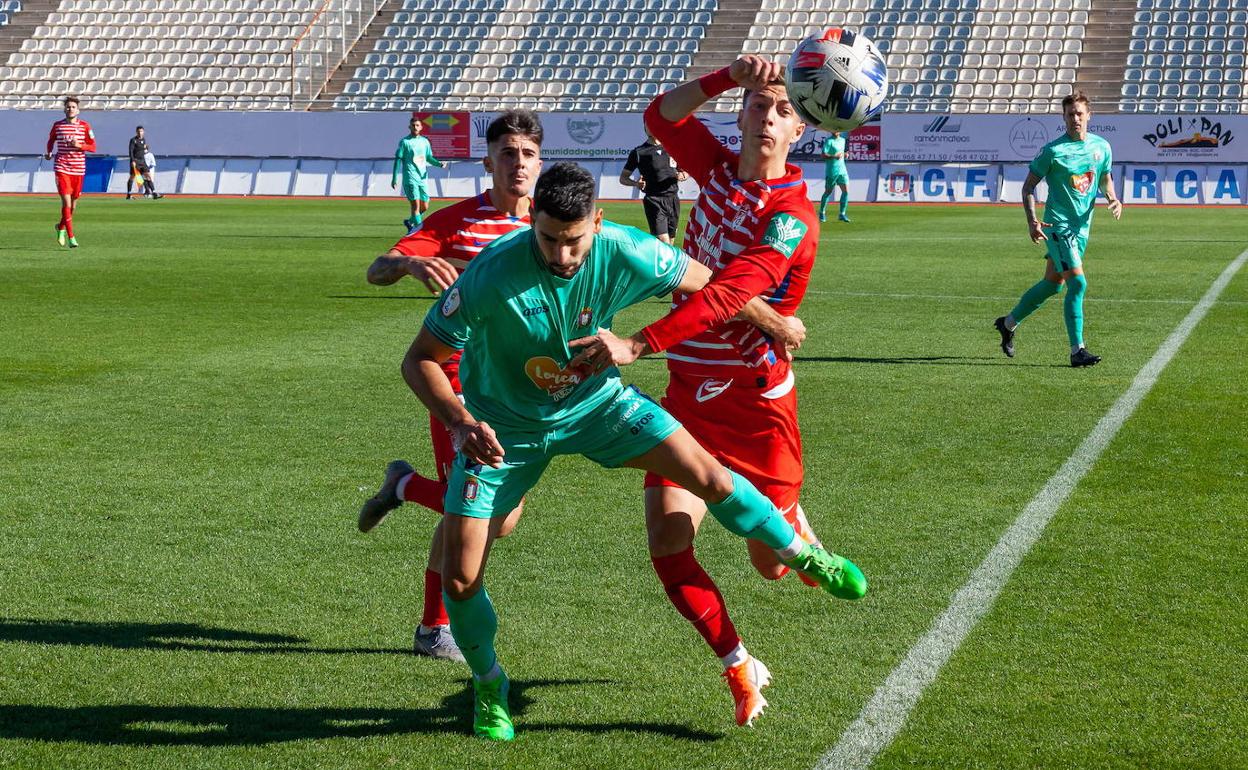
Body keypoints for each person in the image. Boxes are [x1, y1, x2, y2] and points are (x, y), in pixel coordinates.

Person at [389, 161, 865, 741]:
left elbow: (713, 288)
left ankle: (803, 554)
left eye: (573, 241)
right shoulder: (490, 276)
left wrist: (767, 318)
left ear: (598, 220)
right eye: (547, 239)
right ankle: (490, 686)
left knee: (708, 475)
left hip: (598, 407)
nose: (562, 256)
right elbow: (420, 360)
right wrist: (461, 422)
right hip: (502, 431)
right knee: (462, 577)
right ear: (532, 223)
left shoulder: (627, 248)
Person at [571, 55, 830, 728]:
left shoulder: (793, 215)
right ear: (740, 114)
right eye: (758, 105)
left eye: (782, 111)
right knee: (667, 543)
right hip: (688, 394)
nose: (767, 117)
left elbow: (724, 293)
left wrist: (638, 343)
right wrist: (725, 76)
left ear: (800, 130)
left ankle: (791, 525)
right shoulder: (714, 169)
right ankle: (738, 665)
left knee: (772, 568)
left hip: (755, 403)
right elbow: (659, 117)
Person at [359, 108, 544, 663]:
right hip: (458, 383)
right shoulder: (458, 221)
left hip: (521, 388)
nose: (517, 164)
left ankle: (404, 487)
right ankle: (432, 629)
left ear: (540, 164)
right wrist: (411, 265)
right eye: (507, 154)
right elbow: (377, 268)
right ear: (488, 162)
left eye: (528, 155)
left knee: (502, 519)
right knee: (476, 512)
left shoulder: (548, 224)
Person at [994, 91, 1122, 368]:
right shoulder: (1054, 151)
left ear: (1089, 115)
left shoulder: (1102, 147)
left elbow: (1104, 179)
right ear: (1063, 118)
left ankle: (1008, 323)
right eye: (1069, 114)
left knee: (1053, 284)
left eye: (1079, 113)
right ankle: (1078, 350)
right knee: (1078, 283)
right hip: (1057, 225)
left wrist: (1112, 197)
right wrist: (1032, 221)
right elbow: (1028, 187)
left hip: (1082, 228)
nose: (1075, 118)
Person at [618, 129, 688, 244]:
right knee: (663, 241)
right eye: (648, 125)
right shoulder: (639, 152)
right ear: (646, 129)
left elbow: (685, 170)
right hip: (654, 200)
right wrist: (636, 183)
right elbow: (623, 178)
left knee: (671, 241)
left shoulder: (672, 148)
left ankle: (663, 262)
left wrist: (683, 174)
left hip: (673, 199)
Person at [45, 96, 96, 248]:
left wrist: (80, 145)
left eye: (73, 107)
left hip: (78, 169)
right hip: (62, 168)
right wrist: (48, 152)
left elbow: (93, 147)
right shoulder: (58, 125)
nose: (70, 109)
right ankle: (71, 237)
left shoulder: (85, 126)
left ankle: (60, 227)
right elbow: (50, 140)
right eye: (68, 107)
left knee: (73, 206)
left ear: (78, 110)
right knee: (66, 202)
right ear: (64, 109)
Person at [392, 115, 445, 233]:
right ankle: (418, 232)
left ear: (421, 127)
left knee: (425, 206)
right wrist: (394, 178)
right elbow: (398, 159)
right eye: (413, 125)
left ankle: (410, 222)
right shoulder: (405, 142)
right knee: (415, 207)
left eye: (417, 125)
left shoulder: (425, 142)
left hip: (423, 178)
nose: (415, 127)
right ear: (409, 127)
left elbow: (429, 158)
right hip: (410, 177)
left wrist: (439, 164)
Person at [819, 130, 850, 223]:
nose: (835, 131)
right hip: (832, 170)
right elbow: (823, 155)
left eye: (837, 129)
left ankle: (842, 214)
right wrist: (833, 156)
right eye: (833, 129)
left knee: (846, 191)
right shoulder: (829, 141)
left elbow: (843, 153)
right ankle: (822, 213)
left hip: (842, 170)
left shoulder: (843, 140)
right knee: (828, 192)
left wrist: (845, 155)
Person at [126, 126, 162, 200]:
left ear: (143, 132)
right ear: (136, 132)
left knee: (148, 176)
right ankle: (129, 194)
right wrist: (132, 161)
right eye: (138, 131)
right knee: (132, 177)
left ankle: (154, 193)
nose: (140, 133)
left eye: (141, 131)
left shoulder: (143, 140)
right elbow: (131, 151)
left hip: (142, 161)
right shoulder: (133, 140)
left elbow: (142, 150)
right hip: (135, 161)